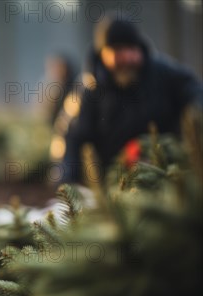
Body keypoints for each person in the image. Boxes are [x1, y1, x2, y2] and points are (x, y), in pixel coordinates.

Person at [61, 17, 202, 184]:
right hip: (114, 185)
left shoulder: (164, 74)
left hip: (169, 178)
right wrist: (69, 181)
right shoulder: (88, 90)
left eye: (131, 49)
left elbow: (195, 94)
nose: (127, 57)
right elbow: (73, 138)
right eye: (118, 50)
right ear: (103, 53)